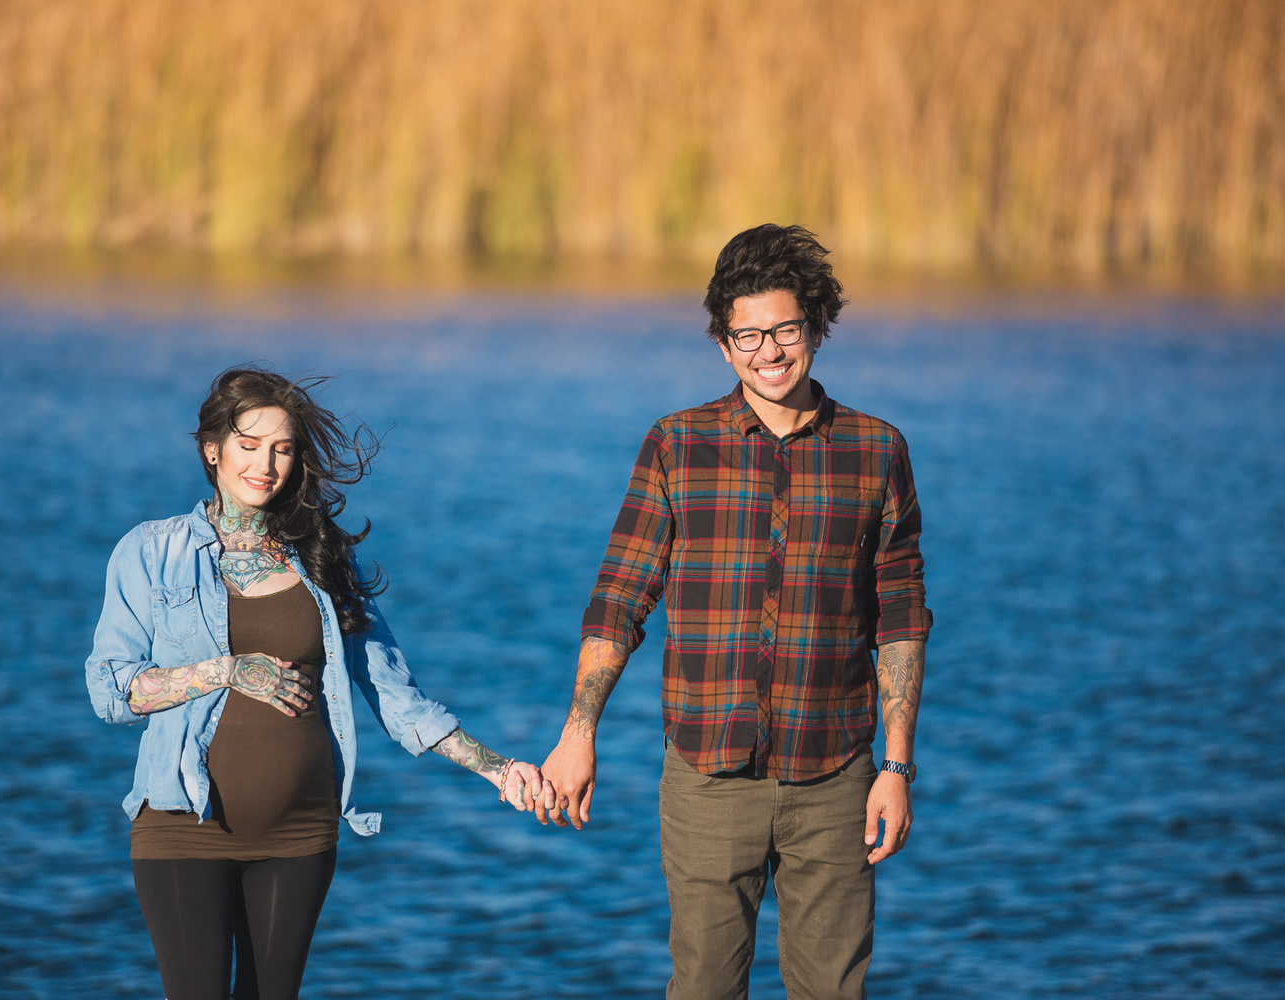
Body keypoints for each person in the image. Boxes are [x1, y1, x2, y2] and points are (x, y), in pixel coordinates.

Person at [538, 224, 932, 999]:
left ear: (815, 327)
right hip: (707, 774)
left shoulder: (876, 450)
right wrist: (577, 734)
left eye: (785, 329)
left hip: (837, 775)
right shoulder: (677, 445)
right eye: (747, 335)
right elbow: (619, 600)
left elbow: (901, 617)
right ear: (723, 346)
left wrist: (894, 766)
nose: (769, 351)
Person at [85, 366, 546, 1000]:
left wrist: (498, 769)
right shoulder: (149, 552)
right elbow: (113, 692)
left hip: (300, 833)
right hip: (182, 827)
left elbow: (393, 694)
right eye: (248, 446)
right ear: (211, 450)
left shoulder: (326, 556)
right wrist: (225, 671)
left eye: (283, 448)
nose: (266, 465)